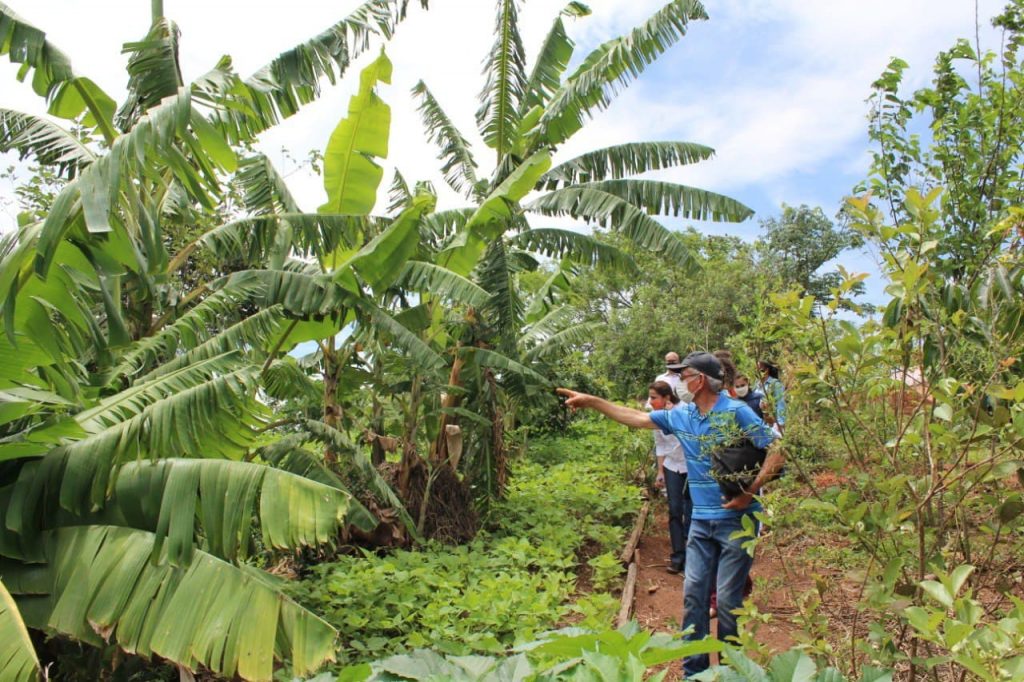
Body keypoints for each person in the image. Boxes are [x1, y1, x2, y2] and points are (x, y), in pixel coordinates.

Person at [557, 352, 784, 677]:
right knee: (693, 597)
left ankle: (733, 671)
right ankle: (695, 672)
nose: (679, 381)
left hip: (737, 523)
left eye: (684, 375)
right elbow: (636, 418)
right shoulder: (682, 415)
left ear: (700, 380)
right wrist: (593, 401)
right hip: (701, 524)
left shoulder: (736, 413)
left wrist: (749, 492)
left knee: (728, 604)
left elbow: (777, 449)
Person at [649, 381, 690, 575]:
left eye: (654, 398)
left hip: (691, 466)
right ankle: (678, 556)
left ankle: (693, 557)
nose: (650, 402)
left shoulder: (685, 410)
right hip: (672, 466)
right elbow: (660, 446)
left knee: (691, 512)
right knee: (675, 511)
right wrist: (660, 471)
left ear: (666, 397)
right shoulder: (656, 419)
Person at [756, 360, 786, 435]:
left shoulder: (775, 384)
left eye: (759, 368)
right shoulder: (757, 384)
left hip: (772, 423)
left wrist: (780, 424)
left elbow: (781, 403)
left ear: (766, 370)